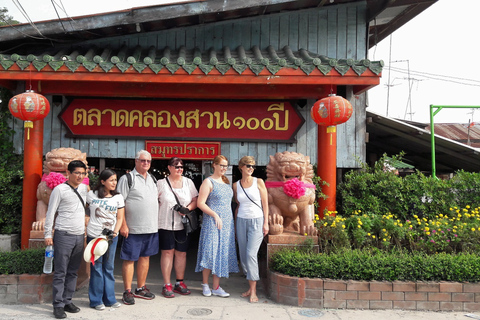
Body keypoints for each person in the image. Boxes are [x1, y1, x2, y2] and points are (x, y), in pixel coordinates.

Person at [44, 160, 88, 319]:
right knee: (60, 272)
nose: (80, 176)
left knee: (73, 272)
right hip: (63, 235)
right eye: (77, 173)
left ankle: (67, 300)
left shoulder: (84, 189)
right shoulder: (59, 190)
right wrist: (47, 234)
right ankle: (57, 305)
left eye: (83, 173)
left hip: (79, 236)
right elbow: (50, 213)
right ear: (68, 173)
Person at [117, 150, 159, 305]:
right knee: (129, 259)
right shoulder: (127, 179)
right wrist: (123, 224)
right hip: (133, 229)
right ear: (136, 161)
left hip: (151, 227)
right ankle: (127, 291)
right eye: (143, 160)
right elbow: (119, 203)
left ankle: (140, 288)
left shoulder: (153, 179)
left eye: (148, 161)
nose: (146, 163)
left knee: (145, 258)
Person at [195, 155, 239, 297]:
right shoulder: (208, 182)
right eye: (221, 165)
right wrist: (215, 215)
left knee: (221, 253)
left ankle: (216, 287)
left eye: (225, 166)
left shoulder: (226, 183)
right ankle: (205, 284)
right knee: (210, 252)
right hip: (212, 222)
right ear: (214, 165)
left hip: (226, 223)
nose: (223, 168)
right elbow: (200, 203)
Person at [157, 157, 198, 298]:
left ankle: (179, 283)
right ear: (169, 168)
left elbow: (195, 199)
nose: (179, 169)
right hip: (165, 223)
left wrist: (187, 209)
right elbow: (154, 202)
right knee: (167, 253)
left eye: (181, 167)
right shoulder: (161, 183)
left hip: (183, 224)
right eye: (176, 166)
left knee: (181, 253)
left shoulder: (188, 182)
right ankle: (166, 284)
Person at [85, 169, 125, 310]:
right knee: (96, 267)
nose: (114, 183)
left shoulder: (118, 197)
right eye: (111, 180)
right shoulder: (91, 195)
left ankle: (109, 299)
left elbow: (120, 218)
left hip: (110, 237)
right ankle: (96, 301)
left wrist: (115, 232)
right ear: (102, 181)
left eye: (115, 180)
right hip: (94, 235)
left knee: (108, 267)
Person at [233, 156, 269, 303]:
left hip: (257, 220)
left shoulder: (258, 182)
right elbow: (238, 204)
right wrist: (235, 226)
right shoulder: (236, 185)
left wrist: (266, 222)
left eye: (253, 166)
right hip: (241, 220)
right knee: (243, 255)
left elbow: (265, 203)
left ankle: (254, 291)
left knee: (250, 254)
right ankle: (250, 286)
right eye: (248, 166)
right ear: (241, 167)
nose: (251, 168)